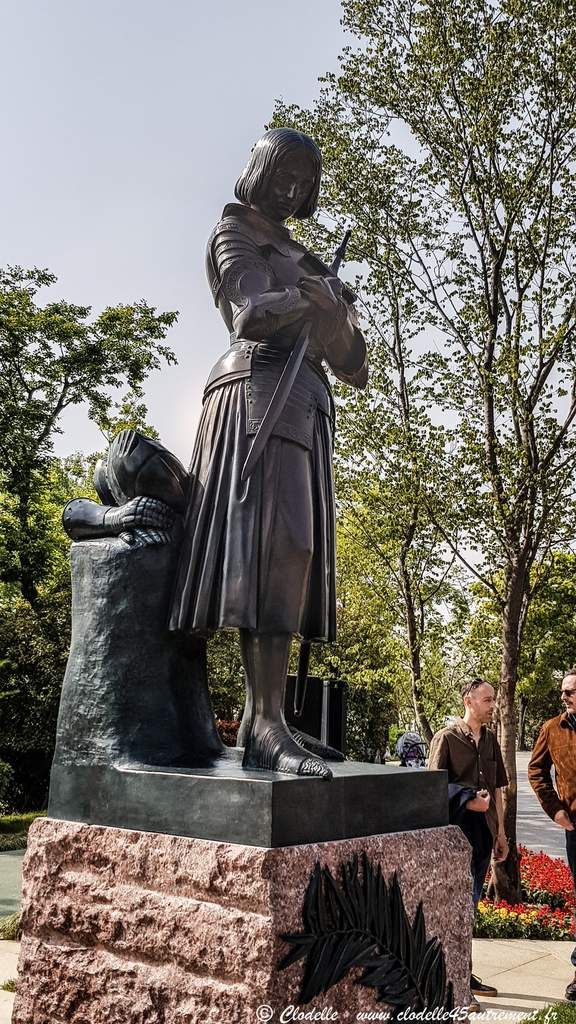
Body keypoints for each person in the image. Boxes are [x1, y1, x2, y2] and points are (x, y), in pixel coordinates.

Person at [169, 128, 367, 778]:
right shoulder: (235, 234)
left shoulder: (306, 257)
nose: (292, 189)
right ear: (260, 171)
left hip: (306, 405)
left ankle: (269, 716)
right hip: (257, 391)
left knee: (295, 553)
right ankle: (263, 724)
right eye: (284, 175)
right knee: (276, 547)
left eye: (303, 183)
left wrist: (335, 315)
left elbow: (355, 365)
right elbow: (248, 314)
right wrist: (305, 299)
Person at [428, 678, 509, 1006]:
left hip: (483, 835)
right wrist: (467, 798)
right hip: (454, 835)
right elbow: (430, 788)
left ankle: (464, 972)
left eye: (493, 699)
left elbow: (498, 790)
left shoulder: (490, 740)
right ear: (468, 701)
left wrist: (500, 833)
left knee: (470, 908)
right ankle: (453, 984)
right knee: (457, 910)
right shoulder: (446, 738)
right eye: (487, 700)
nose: (493, 706)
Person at [528, 669, 576, 1001]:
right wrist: (555, 810)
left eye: (570, 691)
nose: (564, 697)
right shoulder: (552, 729)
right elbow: (536, 771)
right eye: (563, 691)